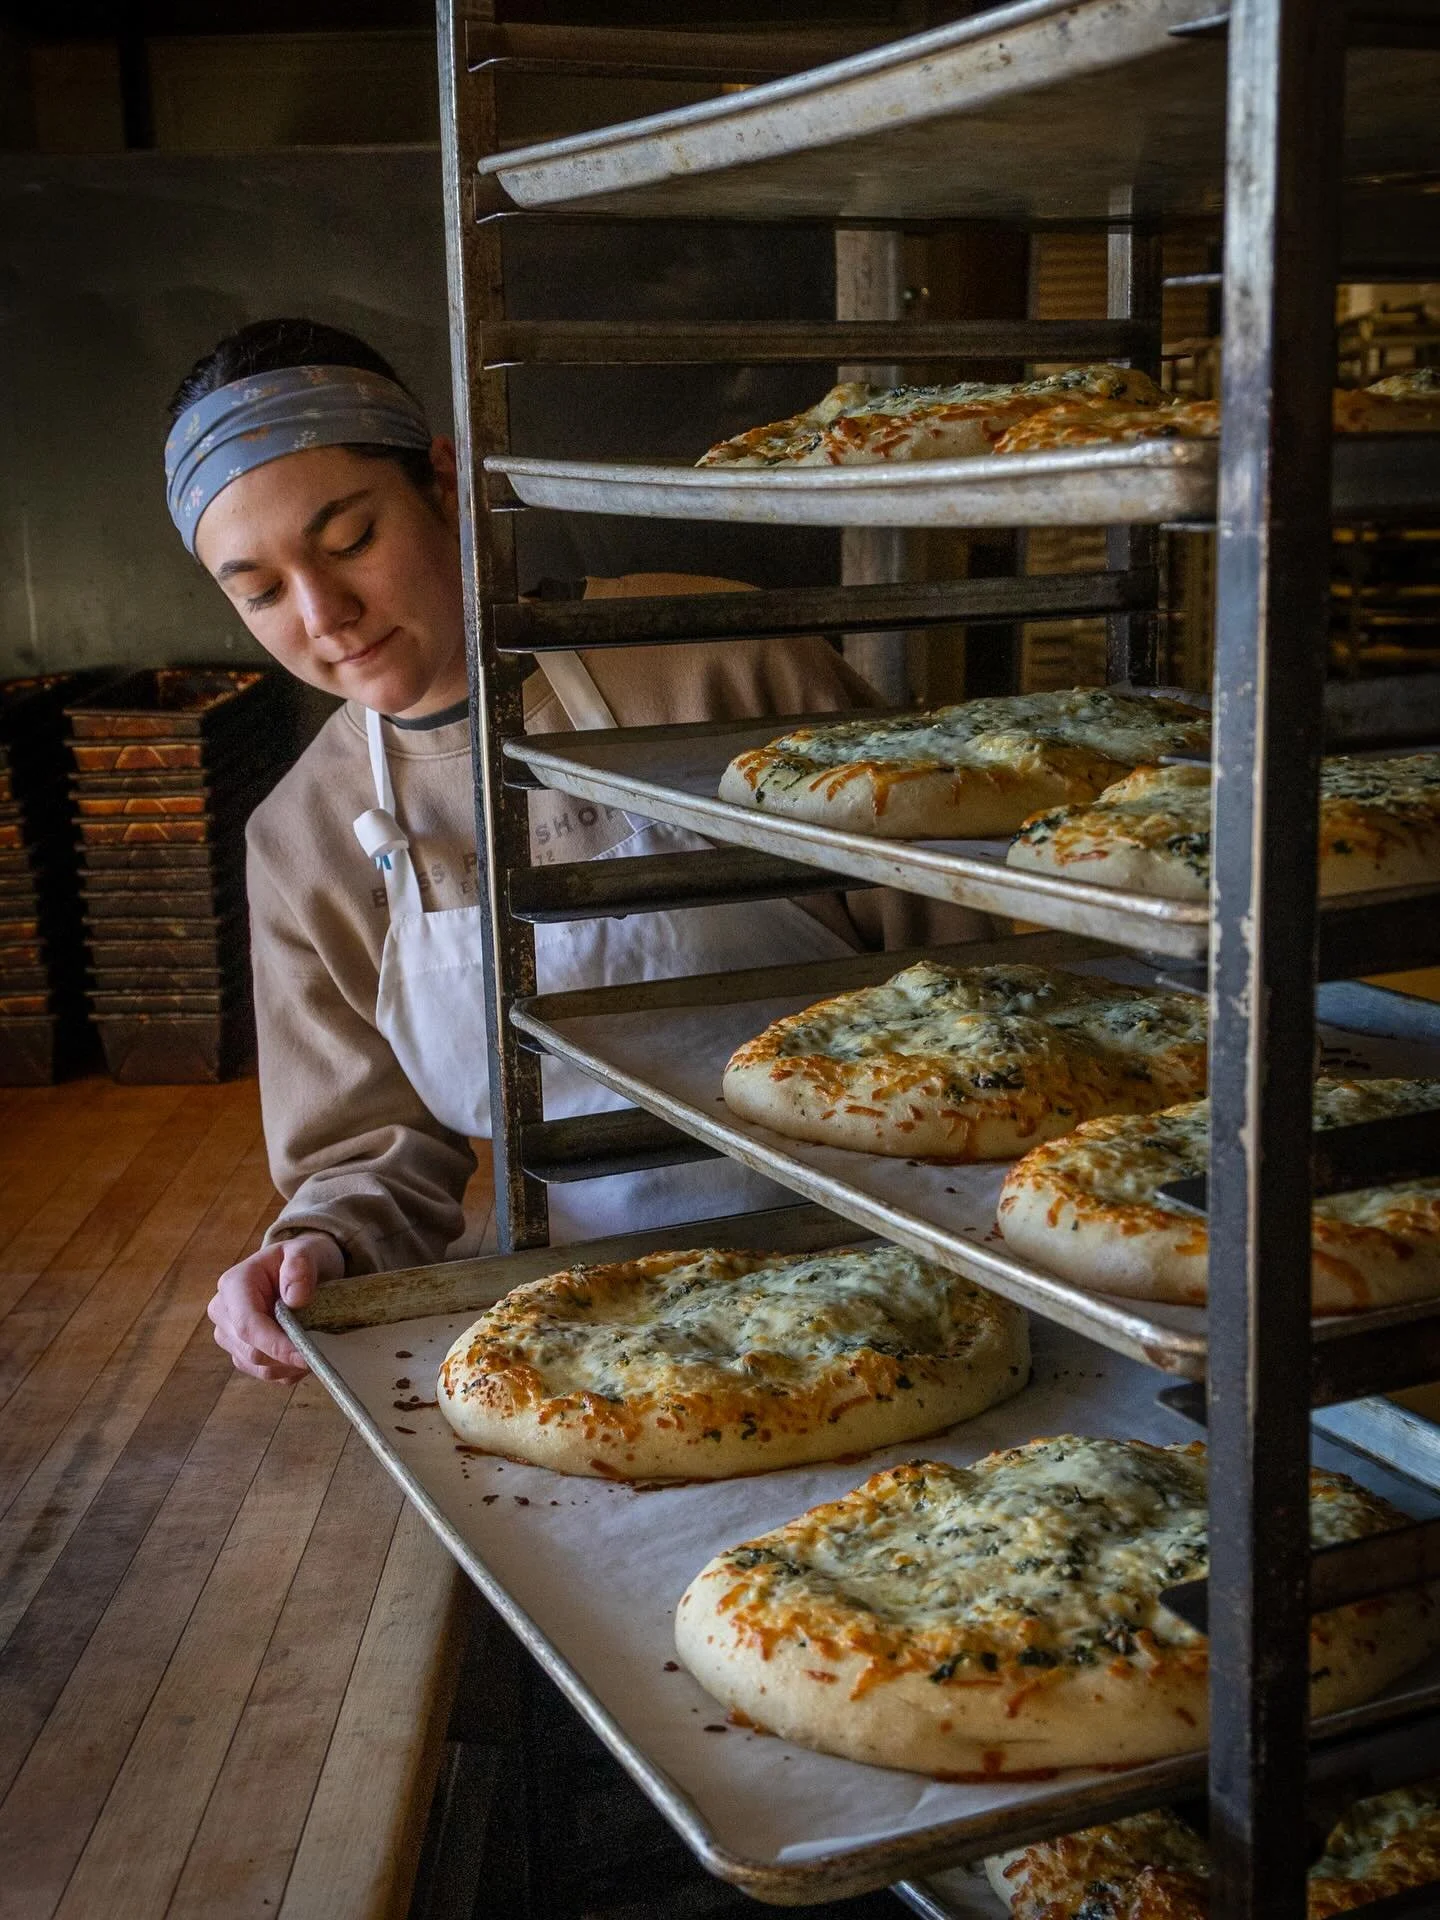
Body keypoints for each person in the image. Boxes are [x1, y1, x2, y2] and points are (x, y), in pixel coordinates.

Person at [170, 319, 984, 1383]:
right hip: (603, 1336)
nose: (325, 617)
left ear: (448, 482)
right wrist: (313, 1248)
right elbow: (372, 1150)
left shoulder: (722, 667)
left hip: (907, 1269)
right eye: (263, 592)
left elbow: (961, 982)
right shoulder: (303, 837)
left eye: (349, 539)